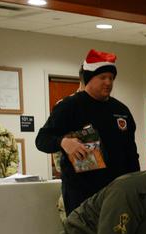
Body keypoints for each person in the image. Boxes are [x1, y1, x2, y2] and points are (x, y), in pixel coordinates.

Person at [36, 49, 140, 214]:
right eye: (102, 77)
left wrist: (136, 185)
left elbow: (131, 153)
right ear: (88, 79)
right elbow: (42, 140)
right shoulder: (69, 106)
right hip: (81, 194)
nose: (108, 82)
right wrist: (64, 142)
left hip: (117, 192)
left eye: (111, 78)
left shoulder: (121, 110)